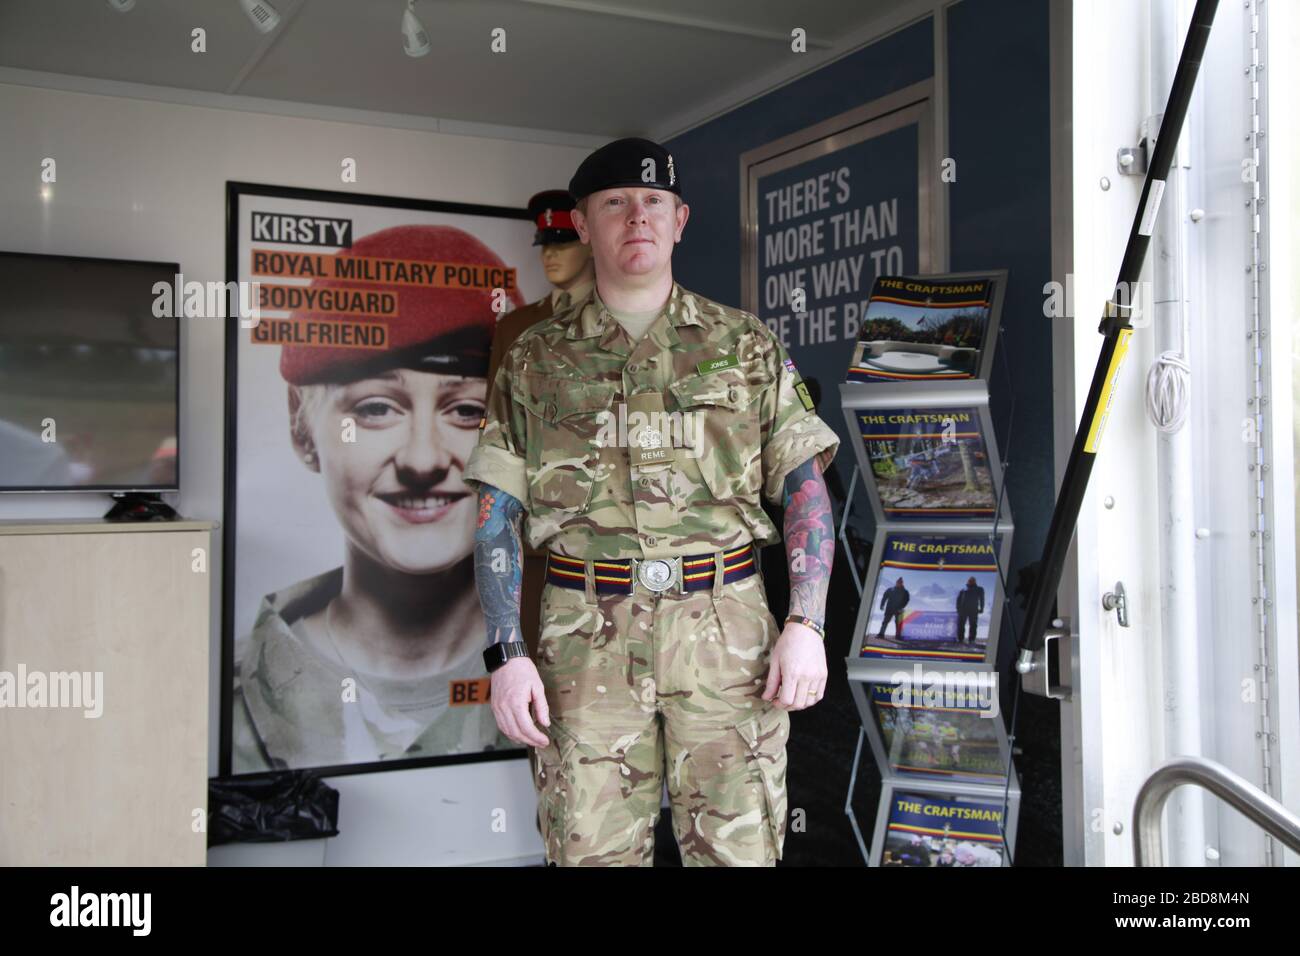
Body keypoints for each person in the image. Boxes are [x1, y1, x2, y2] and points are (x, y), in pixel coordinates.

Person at [465, 137, 841, 866]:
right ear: (582, 224)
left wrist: (808, 622)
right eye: (614, 203)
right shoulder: (534, 360)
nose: (636, 216)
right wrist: (506, 651)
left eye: (653, 202)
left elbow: (805, 488)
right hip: (585, 642)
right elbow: (495, 514)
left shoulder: (747, 345)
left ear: (680, 220)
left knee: (740, 853)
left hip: (728, 637)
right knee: (589, 852)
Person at [231, 224, 519, 772]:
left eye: (468, 411)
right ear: (301, 423)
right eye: (375, 408)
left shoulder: (574, 668)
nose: (422, 459)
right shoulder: (225, 704)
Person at [484, 189, 595, 659]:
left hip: (607, 526)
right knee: (537, 667)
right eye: (545, 244)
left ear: (589, 242)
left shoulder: (623, 317)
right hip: (536, 528)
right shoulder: (517, 329)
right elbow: (498, 431)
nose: (551, 255)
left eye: (563, 242)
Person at [955, 575, 985, 644]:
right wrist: (958, 609)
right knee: (960, 625)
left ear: (975, 582)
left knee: (973, 625)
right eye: (969, 580)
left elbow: (982, 599)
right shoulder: (963, 590)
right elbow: (958, 600)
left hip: (973, 610)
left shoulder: (979, 589)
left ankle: (971, 640)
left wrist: (982, 608)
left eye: (972, 580)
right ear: (968, 582)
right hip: (963, 610)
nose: (970, 581)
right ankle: (960, 639)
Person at [878, 576, 910, 640]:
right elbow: (884, 597)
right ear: (896, 583)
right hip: (889, 609)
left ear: (902, 583)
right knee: (885, 621)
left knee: (899, 623)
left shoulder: (905, 592)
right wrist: (882, 605)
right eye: (898, 582)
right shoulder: (890, 590)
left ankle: (898, 636)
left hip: (899, 609)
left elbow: (906, 600)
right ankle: (881, 634)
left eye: (900, 582)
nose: (899, 583)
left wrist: (901, 607)